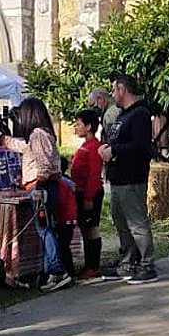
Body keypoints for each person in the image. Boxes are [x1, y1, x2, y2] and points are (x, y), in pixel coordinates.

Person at [0, 98, 72, 292]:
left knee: (45, 229)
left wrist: (39, 183)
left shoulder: (38, 134)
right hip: (45, 187)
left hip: (41, 188)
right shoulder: (42, 134)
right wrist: (4, 139)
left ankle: (57, 270)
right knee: (45, 228)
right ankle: (49, 272)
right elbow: (26, 148)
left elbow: (44, 164)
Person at [98, 75, 157, 284]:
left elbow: (141, 146)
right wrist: (108, 148)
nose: (112, 94)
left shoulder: (140, 114)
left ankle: (147, 264)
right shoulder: (123, 115)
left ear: (122, 89)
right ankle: (127, 261)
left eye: (114, 90)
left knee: (136, 222)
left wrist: (114, 151)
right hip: (118, 177)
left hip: (132, 177)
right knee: (121, 221)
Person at [70, 108, 105, 280]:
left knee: (91, 228)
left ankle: (93, 266)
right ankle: (89, 265)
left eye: (78, 124)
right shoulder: (85, 145)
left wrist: (89, 198)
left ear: (89, 126)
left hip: (90, 193)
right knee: (85, 229)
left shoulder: (94, 147)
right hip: (82, 192)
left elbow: (94, 174)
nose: (76, 127)